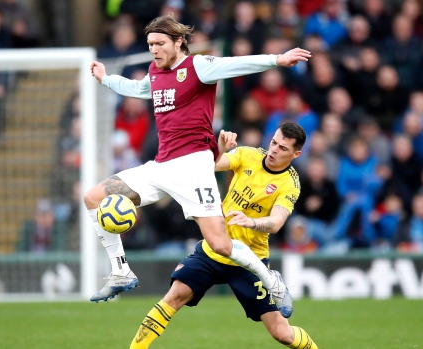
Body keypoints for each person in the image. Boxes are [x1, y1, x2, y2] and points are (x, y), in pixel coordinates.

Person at [86, 15, 311, 307]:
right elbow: (140, 89)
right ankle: (120, 271)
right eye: (150, 44)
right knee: (93, 198)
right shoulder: (155, 71)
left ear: (178, 42)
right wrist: (106, 79)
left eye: (160, 43)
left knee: (220, 245)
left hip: (194, 167)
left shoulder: (198, 67)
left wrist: (277, 59)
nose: (154, 50)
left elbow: (234, 64)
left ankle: (272, 282)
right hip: (161, 166)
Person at [127, 123, 318, 349]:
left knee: (281, 333)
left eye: (282, 148)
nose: (274, 150)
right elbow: (210, 166)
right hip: (214, 247)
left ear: (296, 154)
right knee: (174, 297)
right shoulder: (249, 155)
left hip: (249, 260)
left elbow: (276, 223)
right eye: (274, 142)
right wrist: (220, 147)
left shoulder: (290, 183)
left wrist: (251, 222)